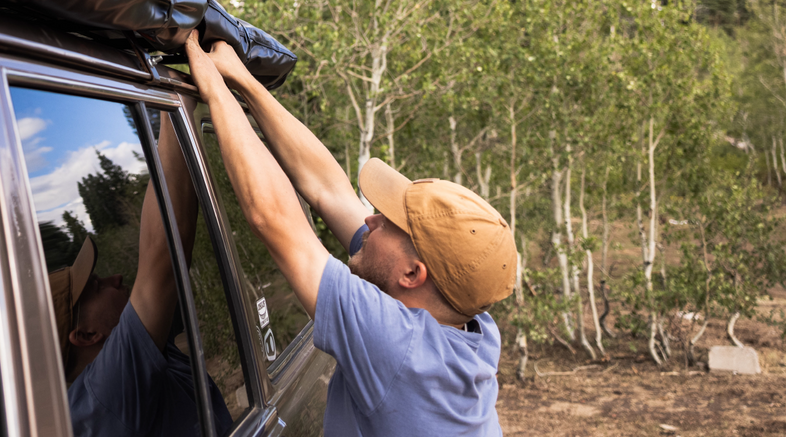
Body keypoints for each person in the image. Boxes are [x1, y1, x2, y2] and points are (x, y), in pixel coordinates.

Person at [185, 33, 517, 436]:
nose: (370, 220)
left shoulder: (399, 346)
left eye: (388, 222)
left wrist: (214, 92)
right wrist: (245, 83)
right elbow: (329, 191)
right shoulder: (471, 322)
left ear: (412, 275)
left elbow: (272, 219)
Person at [46, 116, 234, 437]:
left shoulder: (146, 353)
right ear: (87, 335)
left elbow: (165, 265)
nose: (115, 278)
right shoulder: (105, 394)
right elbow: (163, 261)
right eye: (96, 286)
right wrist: (174, 106)